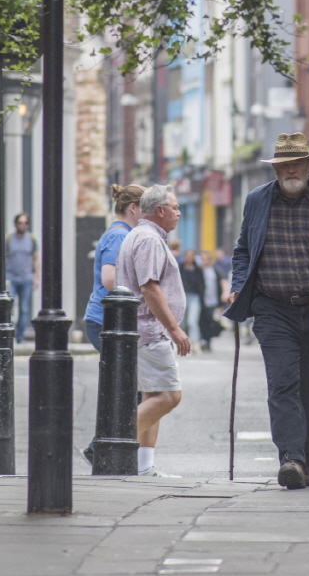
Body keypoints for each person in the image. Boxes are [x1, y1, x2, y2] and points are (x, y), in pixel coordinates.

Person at [224, 133, 309, 490]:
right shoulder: (256, 201)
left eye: (296, 163)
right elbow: (242, 250)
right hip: (273, 309)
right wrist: (238, 283)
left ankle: (307, 459)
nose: (290, 170)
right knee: (282, 384)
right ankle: (291, 459)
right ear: (275, 169)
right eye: (283, 165)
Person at [115, 184, 189, 477]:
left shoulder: (143, 235)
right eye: (175, 207)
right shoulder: (148, 239)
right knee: (170, 396)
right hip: (150, 330)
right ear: (159, 211)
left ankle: (145, 466)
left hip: (143, 331)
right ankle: (107, 442)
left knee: (152, 396)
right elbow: (149, 288)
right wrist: (174, 329)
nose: (179, 213)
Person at [84, 184, 144, 351]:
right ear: (133, 208)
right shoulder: (119, 235)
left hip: (106, 318)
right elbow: (110, 279)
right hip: (106, 319)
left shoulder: (120, 232)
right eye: (145, 209)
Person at [7, 213, 39, 343]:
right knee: (9, 307)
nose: (23, 225)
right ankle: (9, 334)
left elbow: (36, 259)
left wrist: (36, 277)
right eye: (20, 223)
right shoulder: (9, 239)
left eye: (25, 223)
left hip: (26, 278)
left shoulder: (31, 239)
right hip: (11, 277)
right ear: (15, 224)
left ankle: (20, 336)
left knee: (24, 309)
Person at [176, 243, 206, 348]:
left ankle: (193, 343)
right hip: (181, 298)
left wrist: (202, 297)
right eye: (187, 255)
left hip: (194, 297)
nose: (189, 258)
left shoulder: (198, 269)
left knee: (192, 321)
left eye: (191, 256)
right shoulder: (179, 268)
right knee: (182, 322)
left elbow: (202, 284)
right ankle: (182, 343)